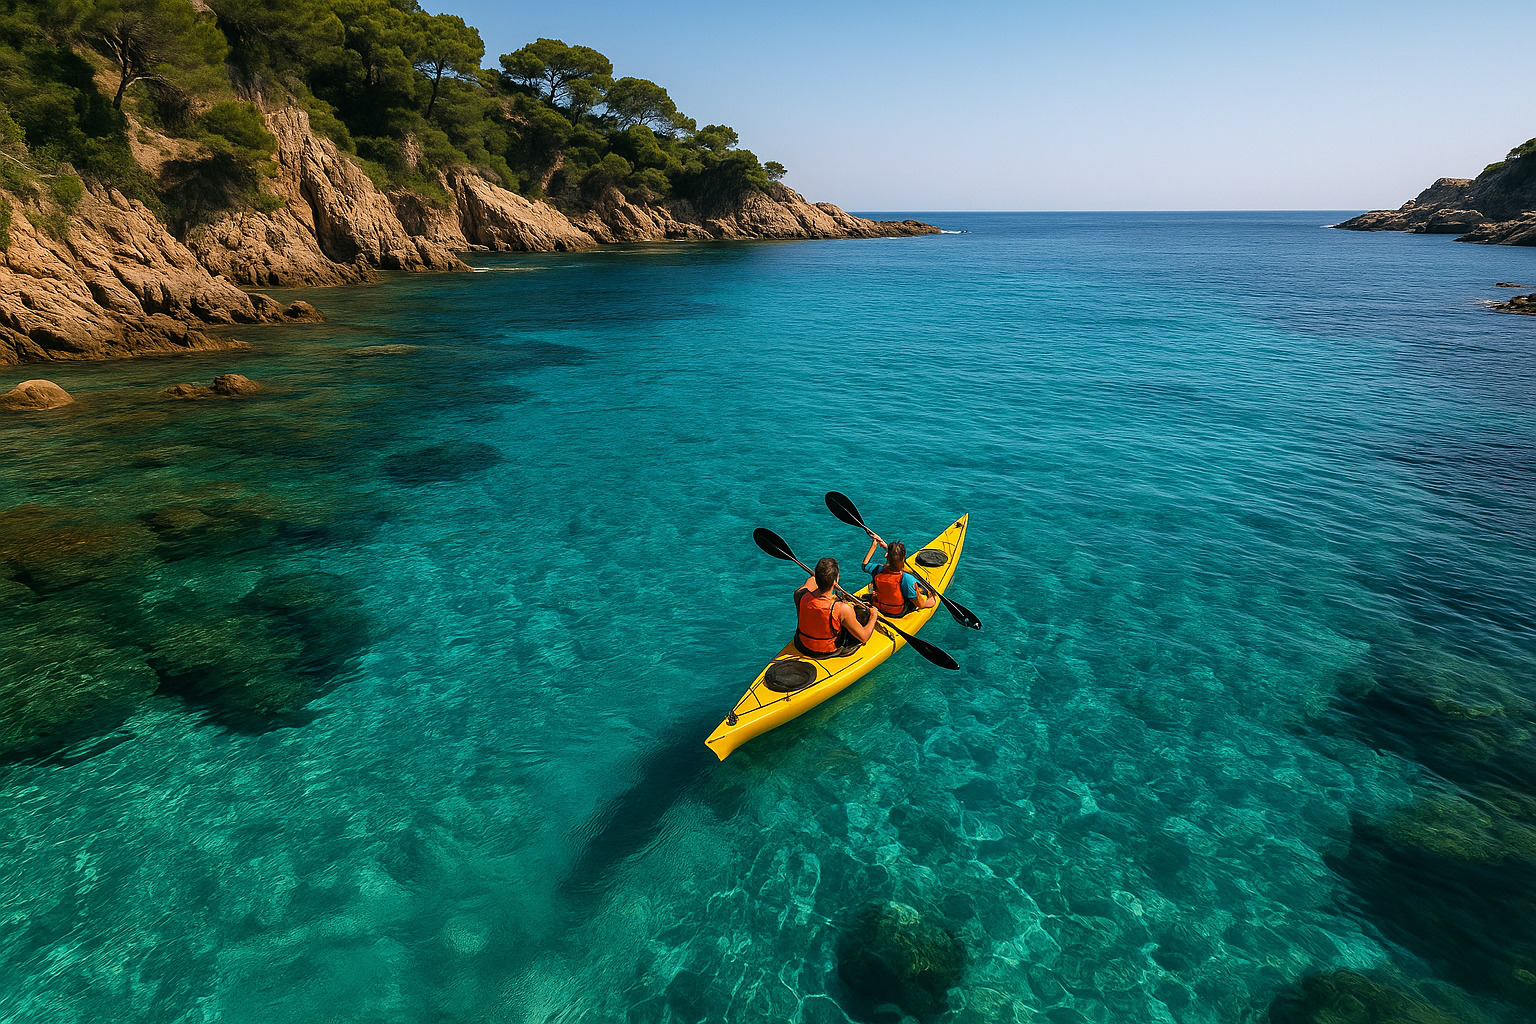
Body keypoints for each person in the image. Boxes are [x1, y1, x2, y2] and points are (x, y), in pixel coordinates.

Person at [794, 556, 880, 657]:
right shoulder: (842, 609)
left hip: (802, 645)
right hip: (826, 651)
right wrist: (873, 616)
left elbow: (810, 582)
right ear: (836, 580)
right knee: (861, 617)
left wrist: (820, 578)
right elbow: (864, 637)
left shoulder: (800, 595)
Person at [862, 536, 939, 618]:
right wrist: (931, 600)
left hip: (878, 606)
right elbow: (920, 604)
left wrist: (874, 545)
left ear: (886, 555)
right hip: (897, 612)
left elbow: (864, 565)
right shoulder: (906, 578)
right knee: (925, 593)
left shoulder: (877, 569)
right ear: (903, 558)